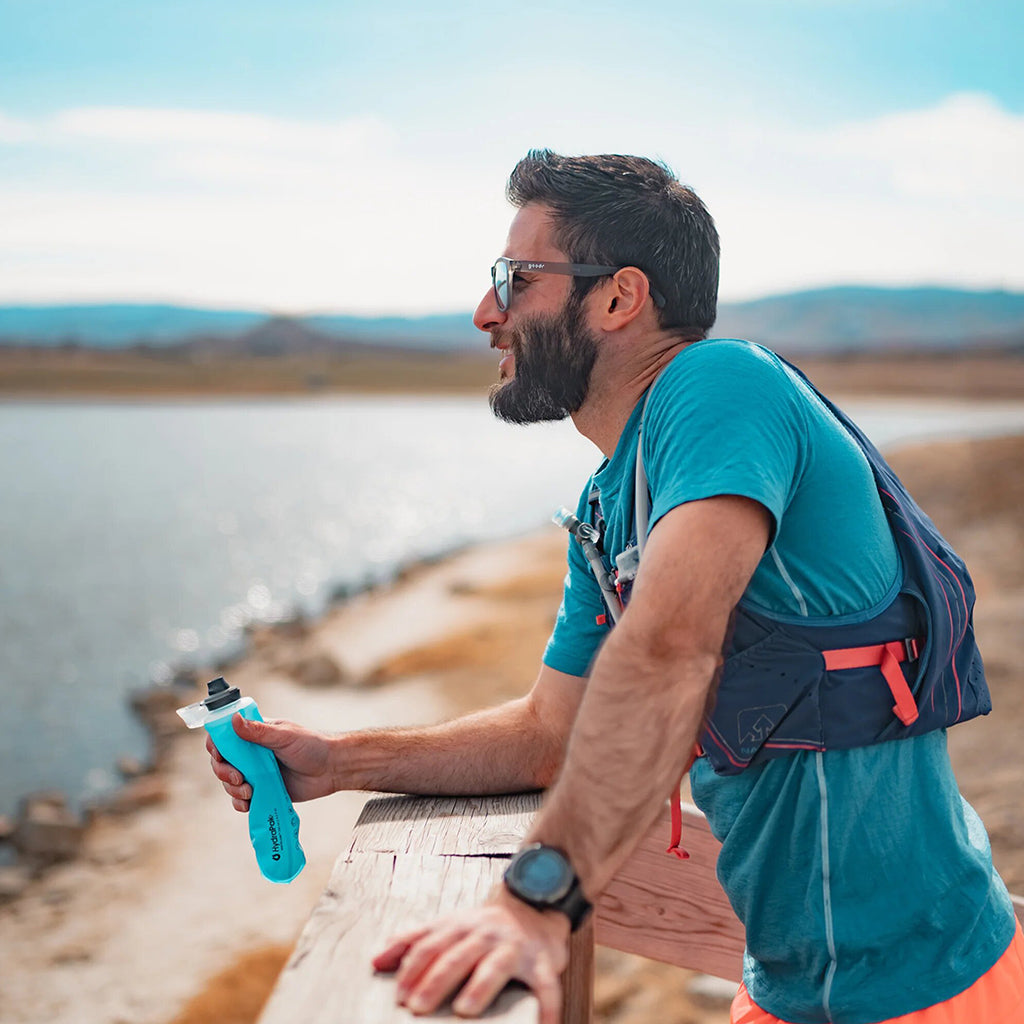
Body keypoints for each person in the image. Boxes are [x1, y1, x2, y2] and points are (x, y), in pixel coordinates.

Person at [208, 151, 1024, 1023]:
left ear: (618, 298)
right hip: (791, 985)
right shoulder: (608, 506)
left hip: (922, 989)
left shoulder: (722, 384)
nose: (487, 313)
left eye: (516, 280)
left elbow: (671, 648)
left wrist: (533, 905)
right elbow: (546, 736)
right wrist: (340, 761)